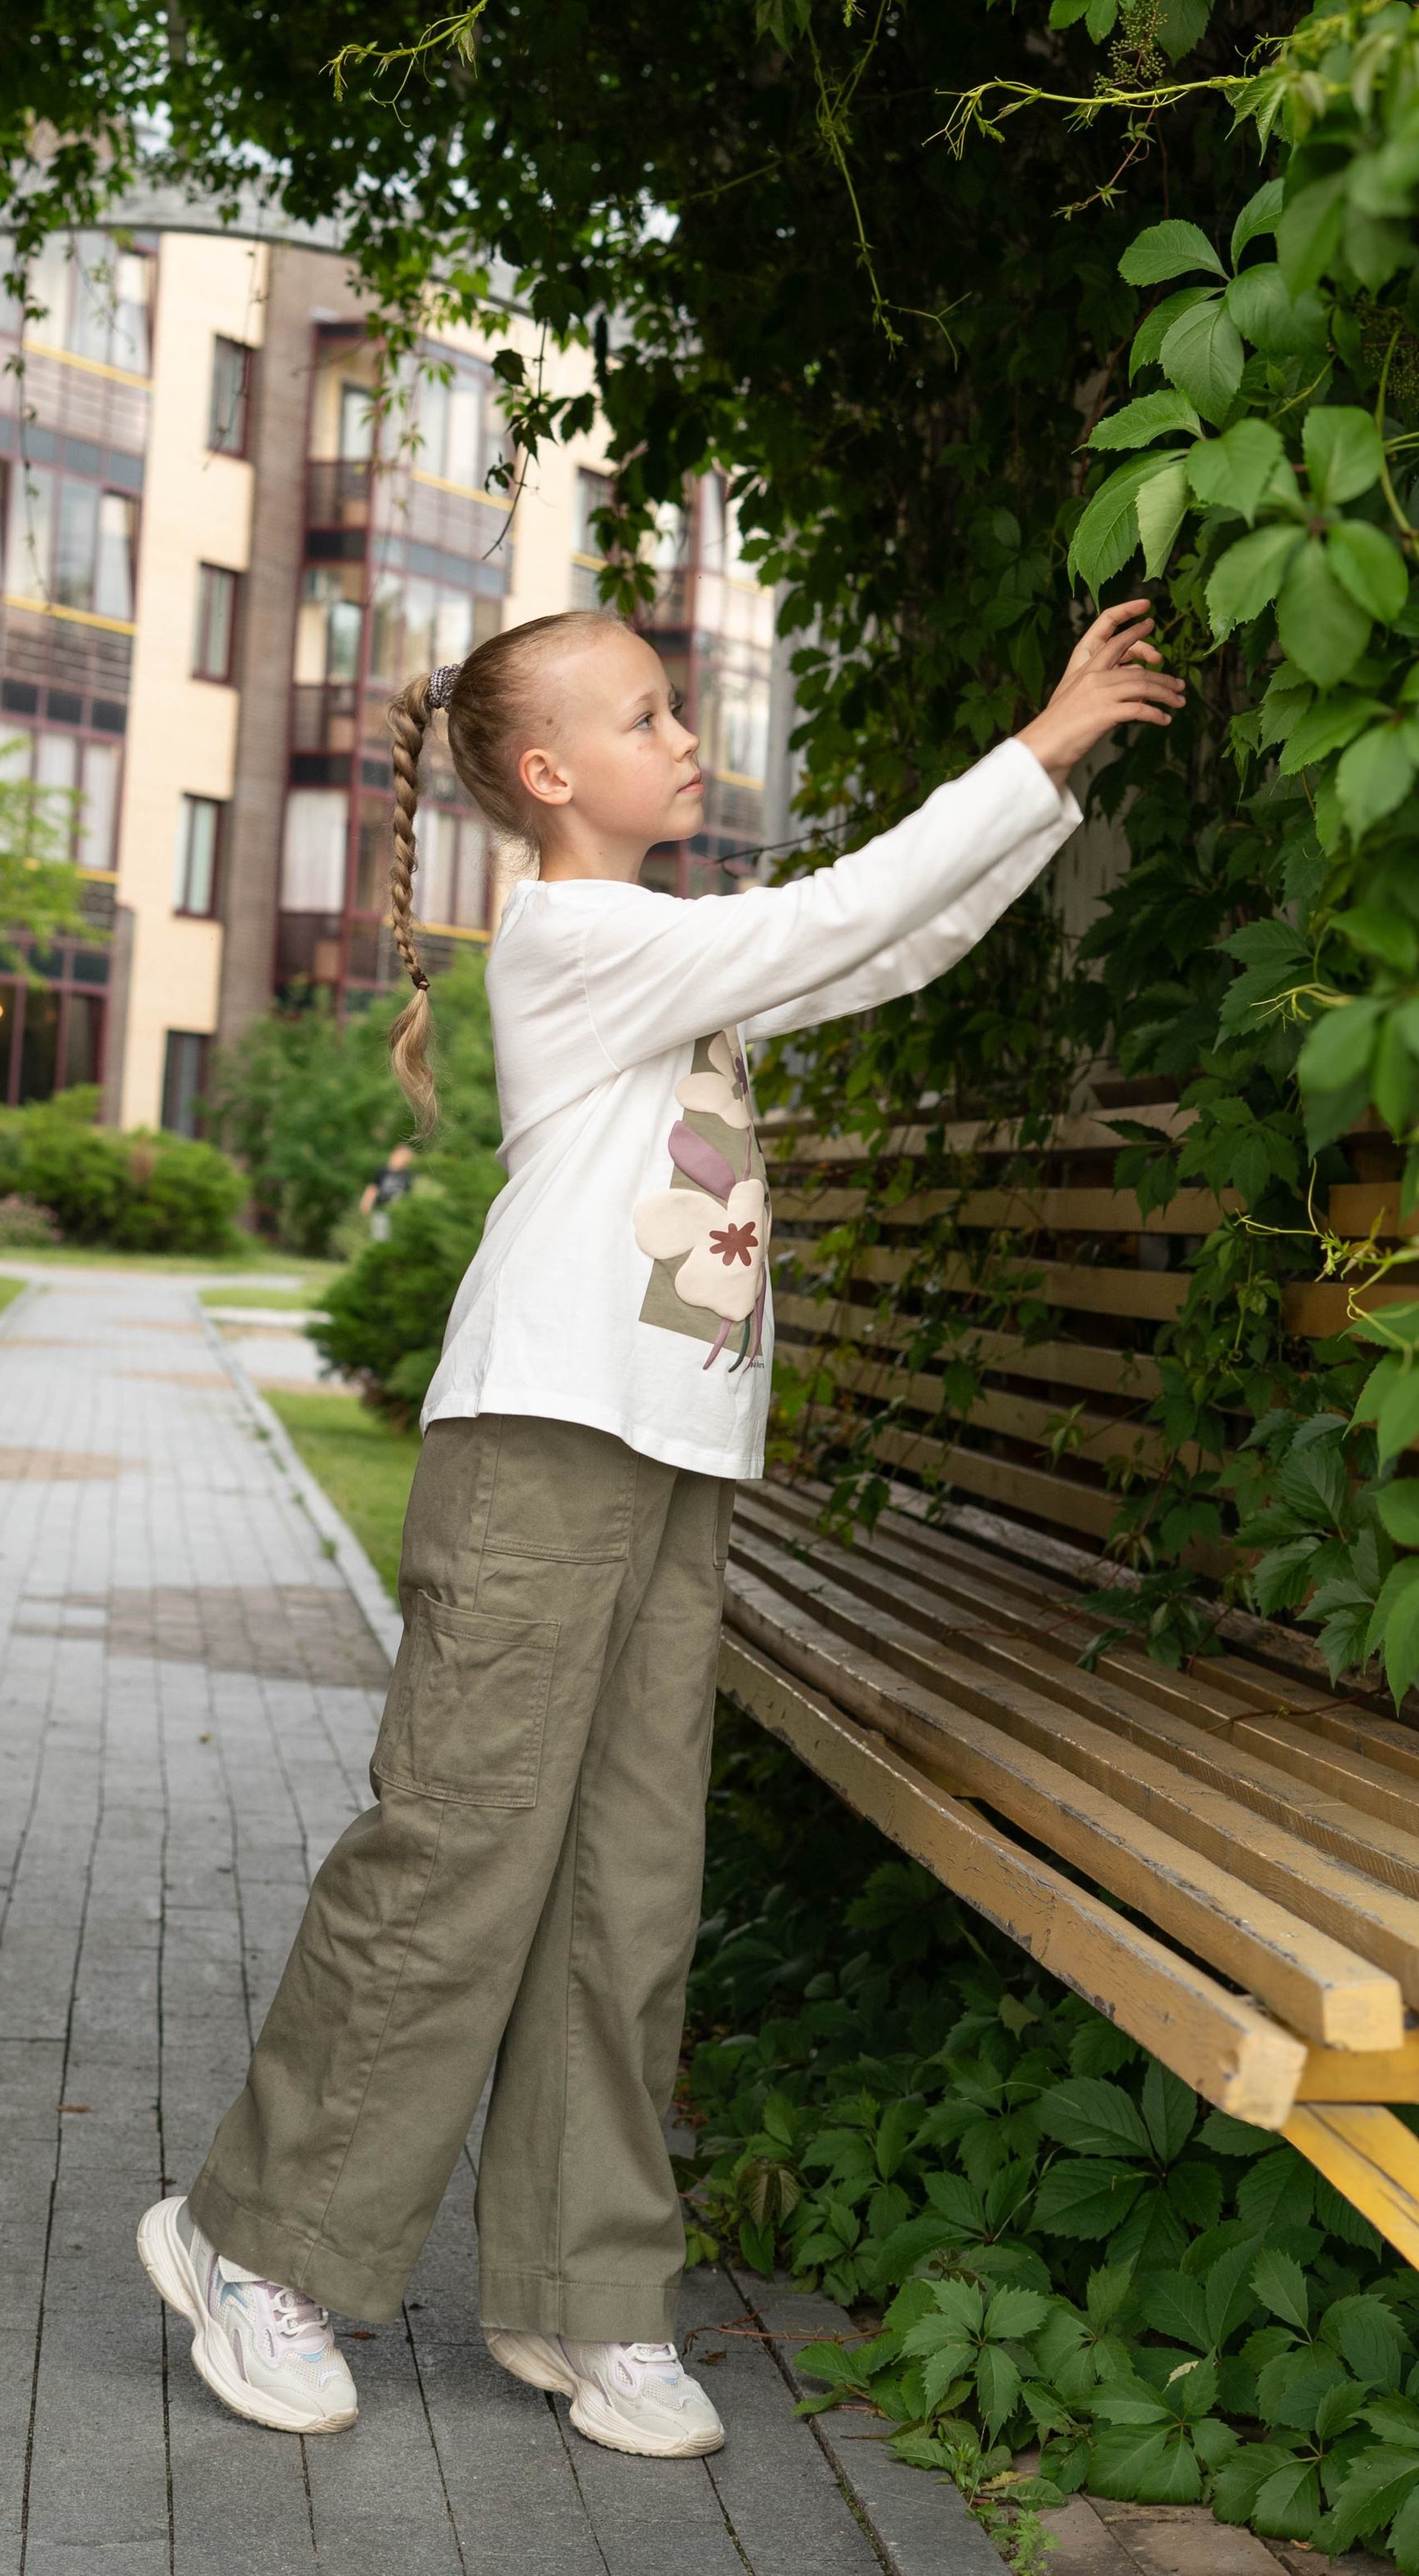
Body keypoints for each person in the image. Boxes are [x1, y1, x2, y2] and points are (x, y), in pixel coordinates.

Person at [138, 597, 1181, 2458]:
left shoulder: (669, 953)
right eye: (640, 715)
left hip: (666, 1454)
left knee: (629, 1885)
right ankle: (257, 2244)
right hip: (542, 1440)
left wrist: (1043, 786)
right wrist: (1040, 742)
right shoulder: (571, 932)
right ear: (547, 775)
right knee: (456, 1856)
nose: (682, 736)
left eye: (676, 709)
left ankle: (582, 2293)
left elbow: (886, 942)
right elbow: (827, 919)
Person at [358, 1139, 416, 1239]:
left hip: (398, 1212)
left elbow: (409, 1194)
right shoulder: (383, 1171)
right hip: (381, 1209)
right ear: (393, 1155)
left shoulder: (407, 1175)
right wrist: (366, 1203)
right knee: (381, 1236)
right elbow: (373, 1188)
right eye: (401, 1156)